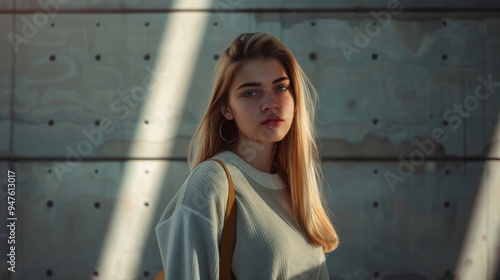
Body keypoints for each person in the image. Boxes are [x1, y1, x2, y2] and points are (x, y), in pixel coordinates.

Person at [155, 32, 339, 280]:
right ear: (226, 109)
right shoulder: (212, 182)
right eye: (251, 93)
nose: (270, 103)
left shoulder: (294, 185)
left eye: (281, 87)